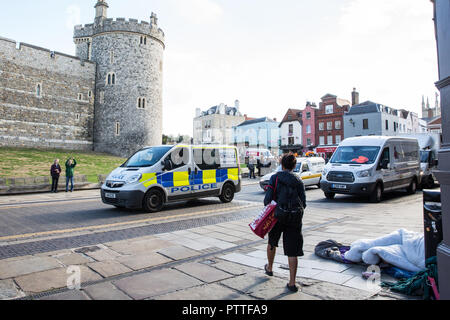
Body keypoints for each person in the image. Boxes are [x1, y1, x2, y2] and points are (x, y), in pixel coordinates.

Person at [263, 153, 306, 293]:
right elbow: (303, 203)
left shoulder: (275, 178)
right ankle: (292, 283)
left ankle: (269, 268)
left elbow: (267, 200)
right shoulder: (298, 181)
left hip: (277, 216)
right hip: (294, 218)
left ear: (282, 165)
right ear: (294, 166)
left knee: (272, 241)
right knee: (292, 250)